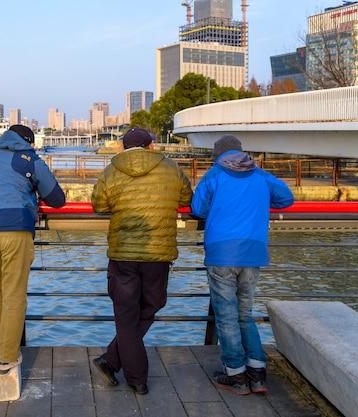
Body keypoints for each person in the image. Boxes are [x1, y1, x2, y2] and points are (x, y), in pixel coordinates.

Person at [91, 127, 193, 395]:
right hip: (157, 254)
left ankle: (113, 361)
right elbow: (186, 198)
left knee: (125, 316)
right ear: (150, 146)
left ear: (124, 147)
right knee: (153, 304)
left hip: (122, 253)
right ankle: (133, 376)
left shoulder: (111, 169)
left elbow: (99, 205)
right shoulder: (170, 167)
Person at [190, 135, 294, 395]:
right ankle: (257, 373)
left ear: (217, 156)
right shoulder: (261, 175)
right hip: (253, 251)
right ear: (241, 152)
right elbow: (286, 199)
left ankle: (235, 374)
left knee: (226, 315)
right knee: (245, 314)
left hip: (222, 252)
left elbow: (198, 209)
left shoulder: (214, 175)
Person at [0, 124, 65, 375]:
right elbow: (57, 199)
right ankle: (7, 358)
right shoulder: (29, 159)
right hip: (14, 228)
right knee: (14, 294)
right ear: (28, 142)